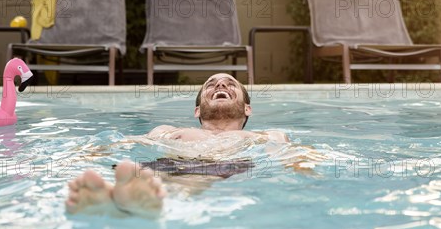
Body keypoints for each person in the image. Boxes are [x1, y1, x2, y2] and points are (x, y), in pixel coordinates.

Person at [66, 73, 289, 217]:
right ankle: (120, 202)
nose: (220, 84)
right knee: (138, 173)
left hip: (223, 167)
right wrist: (83, 154)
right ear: (198, 110)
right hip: (164, 164)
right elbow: (123, 143)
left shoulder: (266, 136)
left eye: (231, 84)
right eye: (210, 85)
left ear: (247, 108)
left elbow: (298, 159)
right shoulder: (168, 132)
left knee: (191, 179)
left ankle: (124, 206)